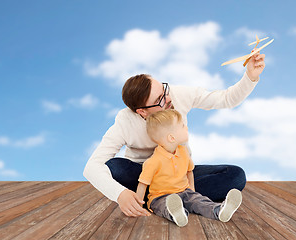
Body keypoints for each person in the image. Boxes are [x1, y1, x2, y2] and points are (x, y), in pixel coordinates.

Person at [83, 51, 265, 217]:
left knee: (235, 175)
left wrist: (250, 77)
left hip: (179, 174)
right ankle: (174, 198)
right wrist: (120, 194)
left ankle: (164, 199)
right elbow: (92, 167)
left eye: (164, 90)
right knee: (114, 167)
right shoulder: (125, 121)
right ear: (142, 112)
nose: (168, 99)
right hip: (143, 174)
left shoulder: (177, 95)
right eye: (159, 100)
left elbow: (225, 99)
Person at [137, 109, 242, 227]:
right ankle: (177, 214)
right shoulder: (153, 161)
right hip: (160, 197)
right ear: (171, 138)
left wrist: (192, 191)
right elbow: (142, 185)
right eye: (182, 126)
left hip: (185, 191)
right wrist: (139, 207)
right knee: (164, 206)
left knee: (199, 201)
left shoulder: (183, 151)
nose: (186, 127)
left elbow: (189, 172)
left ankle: (218, 210)